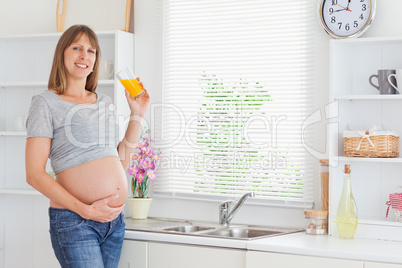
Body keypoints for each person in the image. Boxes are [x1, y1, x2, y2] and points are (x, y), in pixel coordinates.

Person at [25, 24, 149, 267]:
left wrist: (137, 114)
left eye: (91, 51)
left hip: (113, 223)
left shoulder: (103, 101)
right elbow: (34, 174)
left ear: (95, 61)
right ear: (62, 53)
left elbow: (118, 161)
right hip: (76, 221)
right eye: (77, 48)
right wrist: (85, 210)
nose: (85, 55)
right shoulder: (45, 103)